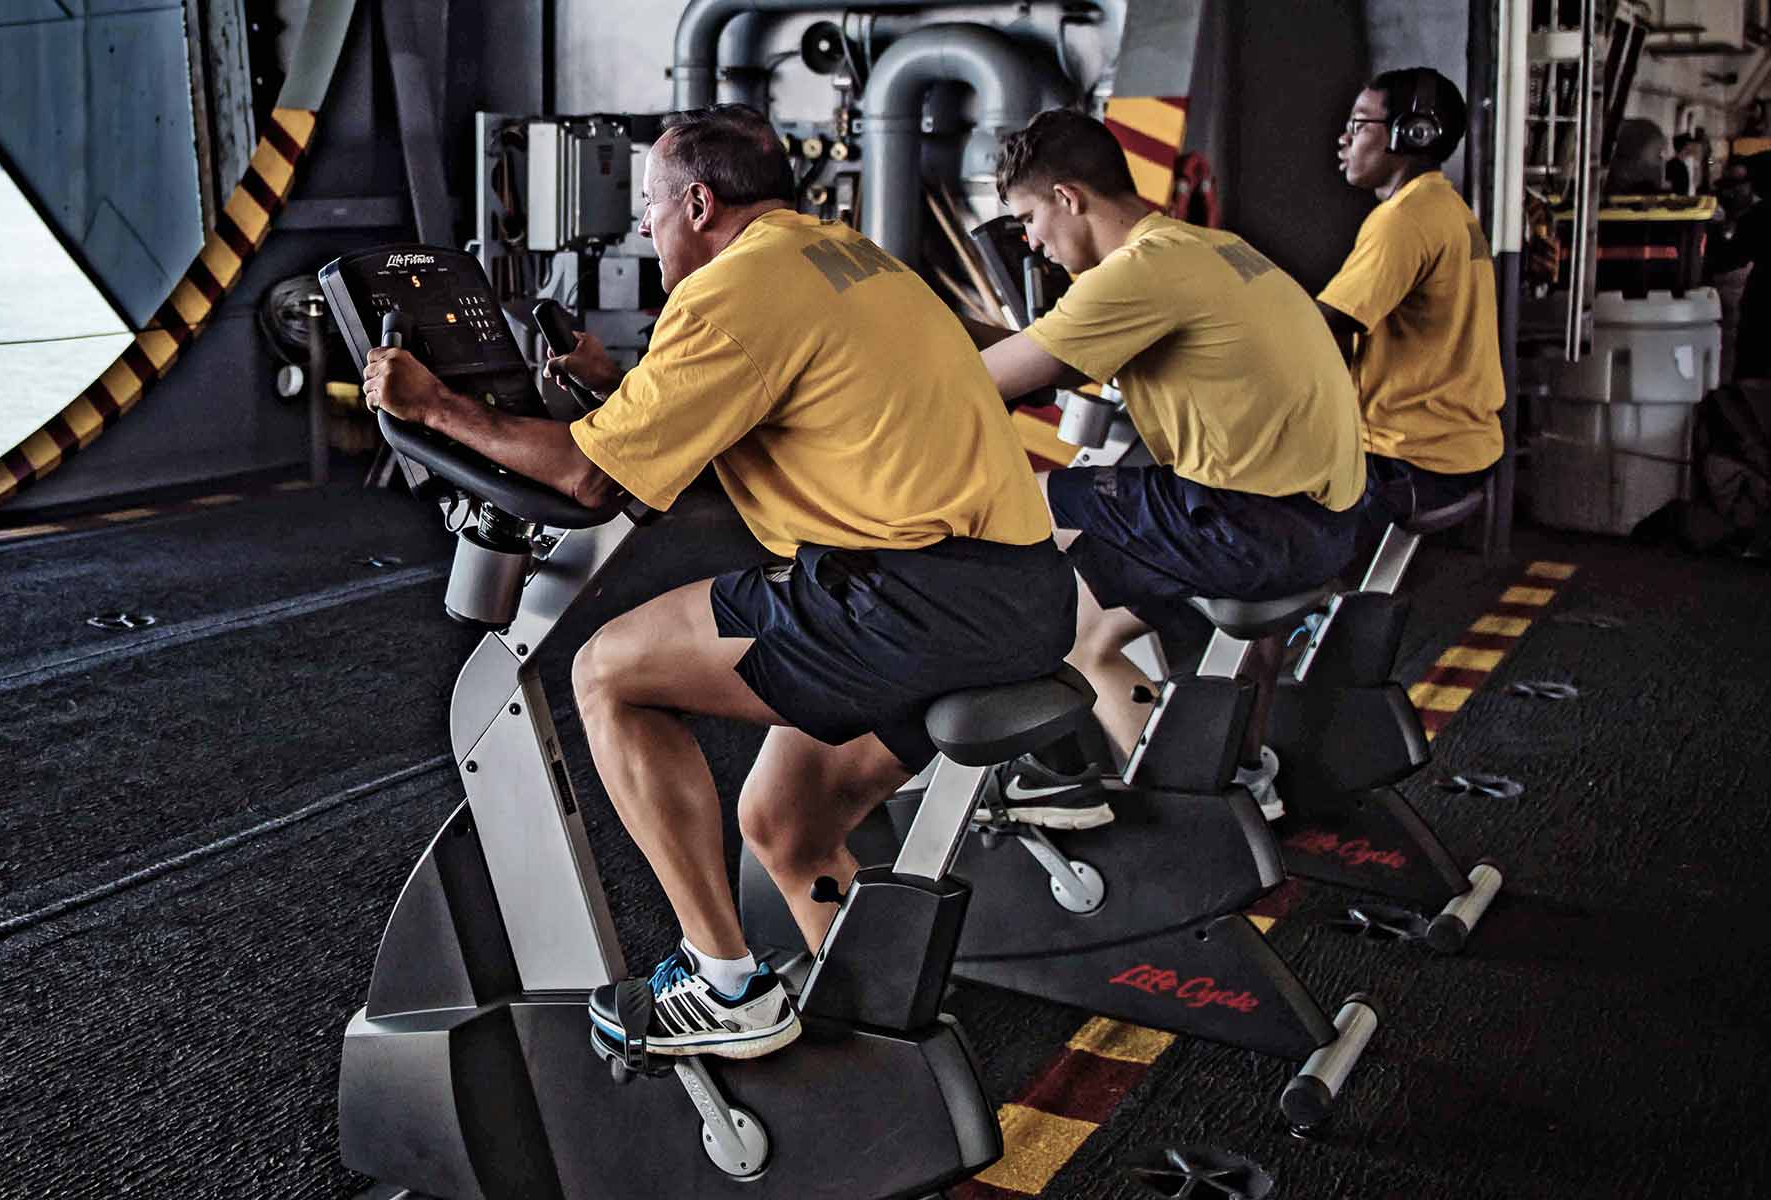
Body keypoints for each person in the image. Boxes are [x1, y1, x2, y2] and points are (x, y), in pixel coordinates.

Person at [361, 104, 1072, 1061]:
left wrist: (435, 406)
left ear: (698, 204)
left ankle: (724, 982)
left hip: (907, 603)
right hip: (1020, 596)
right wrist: (613, 392)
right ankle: (882, 1049)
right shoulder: (845, 257)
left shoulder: (734, 289)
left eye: (651, 207)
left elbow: (586, 478)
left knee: (610, 672)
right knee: (785, 821)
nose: (645, 226)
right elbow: (718, 417)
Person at [962, 109, 1366, 824]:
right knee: (1088, 632)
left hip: (1252, 528)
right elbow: (1068, 357)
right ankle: (1243, 775)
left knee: (1014, 502)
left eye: (1028, 220)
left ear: (1067, 197)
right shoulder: (1208, 247)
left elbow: (976, 386)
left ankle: (1139, 793)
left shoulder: (1137, 273)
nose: (1032, 244)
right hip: (1323, 519)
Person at [1319, 67, 1508, 528]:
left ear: (1414, 134)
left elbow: (1329, 321)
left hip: (1409, 459)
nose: (1344, 140)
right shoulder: (1447, 207)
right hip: (1460, 449)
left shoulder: (1404, 219)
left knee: (1244, 508)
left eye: (1359, 124)